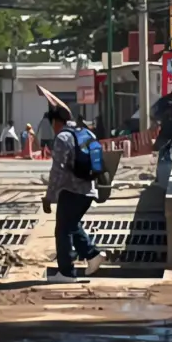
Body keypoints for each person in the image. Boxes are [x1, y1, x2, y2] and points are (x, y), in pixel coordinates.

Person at [41, 104, 104, 281]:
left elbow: (57, 170)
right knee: (72, 225)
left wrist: (49, 197)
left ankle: (66, 273)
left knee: (63, 231)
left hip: (71, 191)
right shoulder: (87, 133)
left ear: (56, 122)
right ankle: (92, 255)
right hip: (88, 191)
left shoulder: (62, 138)